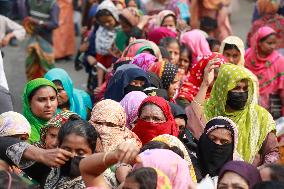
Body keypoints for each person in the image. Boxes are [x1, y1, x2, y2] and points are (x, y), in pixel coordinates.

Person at [187, 63, 278, 166]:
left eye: (245, 88)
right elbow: (192, 119)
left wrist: (259, 172)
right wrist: (205, 84)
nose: (241, 92)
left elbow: (272, 152)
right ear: (224, 88)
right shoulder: (210, 109)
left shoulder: (261, 116)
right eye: (236, 88)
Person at [245, 26, 284, 119]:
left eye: (274, 43)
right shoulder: (247, 57)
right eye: (269, 43)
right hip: (249, 103)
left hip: (272, 105)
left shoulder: (279, 60)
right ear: (259, 42)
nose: (273, 47)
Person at [85, 0, 119, 88]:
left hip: (115, 71)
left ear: (115, 16)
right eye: (103, 22)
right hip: (98, 69)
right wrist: (88, 57)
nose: (106, 24)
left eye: (109, 21)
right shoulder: (97, 32)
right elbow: (89, 50)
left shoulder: (121, 31)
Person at [23, 0, 59, 80]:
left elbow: (55, 24)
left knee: (48, 68)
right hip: (33, 38)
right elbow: (26, 16)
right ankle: (33, 89)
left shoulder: (52, 4)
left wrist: (38, 22)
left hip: (45, 39)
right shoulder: (29, 1)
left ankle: (49, 89)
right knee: (30, 65)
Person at [23, 78, 58, 143]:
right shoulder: (22, 134)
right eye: (42, 100)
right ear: (29, 103)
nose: (49, 105)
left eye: (52, 99)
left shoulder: (63, 125)